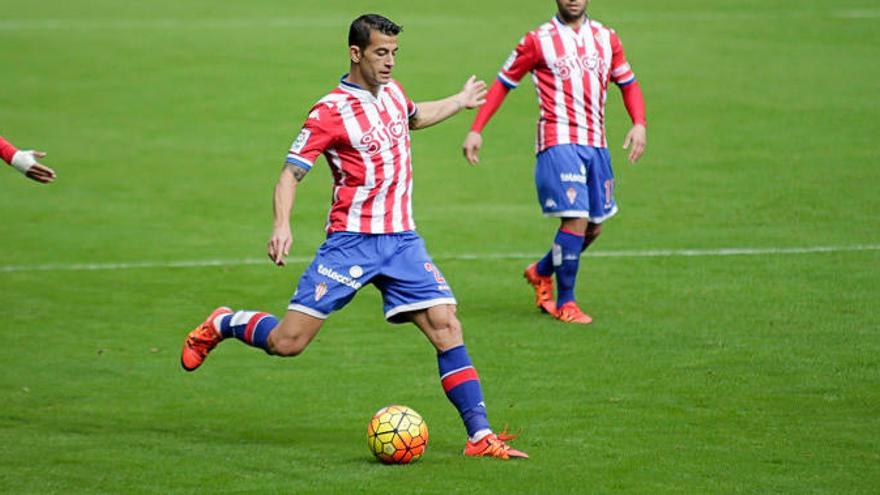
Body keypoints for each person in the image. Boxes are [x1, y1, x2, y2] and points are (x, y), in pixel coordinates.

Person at [180, 14, 527, 460]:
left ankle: (480, 436)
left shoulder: (394, 94)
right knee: (289, 343)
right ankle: (224, 322)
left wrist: (460, 101)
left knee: (447, 327)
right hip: (350, 244)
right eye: (381, 53)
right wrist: (281, 224)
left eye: (394, 53)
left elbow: (415, 117)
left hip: (401, 240)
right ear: (355, 53)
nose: (389, 63)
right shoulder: (329, 112)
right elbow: (290, 174)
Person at [462, 0, 647, 324]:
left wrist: (639, 123)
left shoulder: (607, 38)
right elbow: (504, 82)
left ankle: (541, 270)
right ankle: (567, 303)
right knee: (575, 220)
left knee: (594, 227)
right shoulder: (537, 40)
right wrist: (477, 129)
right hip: (558, 142)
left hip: (597, 144)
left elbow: (628, 82)